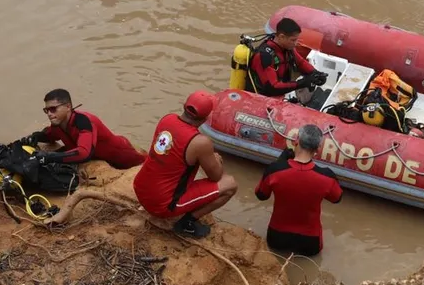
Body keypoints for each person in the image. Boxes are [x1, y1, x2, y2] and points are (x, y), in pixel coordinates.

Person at [133, 91, 238, 238]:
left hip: (140, 188)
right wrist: (216, 160)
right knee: (230, 184)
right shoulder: (200, 142)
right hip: (162, 204)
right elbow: (216, 176)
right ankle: (187, 223)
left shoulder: (167, 119)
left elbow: (176, 150)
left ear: (184, 106)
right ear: (206, 118)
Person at [254, 125, 343, 256]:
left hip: (277, 237)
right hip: (310, 242)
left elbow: (261, 195)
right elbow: (337, 199)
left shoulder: (275, 170)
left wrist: (279, 163)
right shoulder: (327, 177)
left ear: (296, 141)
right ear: (318, 148)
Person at [27, 89, 147, 169]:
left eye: (53, 109)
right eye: (46, 110)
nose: (49, 113)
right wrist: (33, 137)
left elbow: (84, 153)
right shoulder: (57, 124)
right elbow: (49, 135)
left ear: (68, 107)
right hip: (100, 158)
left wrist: (49, 157)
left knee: (145, 164)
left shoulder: (84, 121)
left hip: (123, 155)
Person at [245, 18, 327, 98]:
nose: (295, 43)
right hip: (264, 97)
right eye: (293, 40)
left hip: (281, 89)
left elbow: (300, 62)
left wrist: (315, 73)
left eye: (297, 39)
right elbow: (273, 87)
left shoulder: (287, 47)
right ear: (281, 37)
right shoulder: (264, 56)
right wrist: (300, 83)